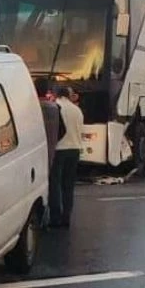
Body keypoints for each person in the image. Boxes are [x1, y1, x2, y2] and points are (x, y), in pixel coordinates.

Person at [49, 86, 84, 228]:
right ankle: (66, 216)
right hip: (75, 149)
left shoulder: (55, 108)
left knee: (55, 183)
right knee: (68, 185)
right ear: (68, 95)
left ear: (56, 94)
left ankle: (55, 217)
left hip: (59, 149)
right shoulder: (77, 110)